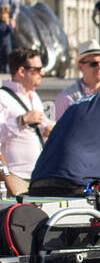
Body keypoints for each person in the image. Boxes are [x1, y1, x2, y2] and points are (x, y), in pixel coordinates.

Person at [0, 49, 51, 193]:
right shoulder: (2, 97)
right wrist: (21, 120)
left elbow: (40, 126)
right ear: (22, 71)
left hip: (38, 174)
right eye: (38, 69)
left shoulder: (34, 96)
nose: (42, 73)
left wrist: (47, 129)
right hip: (15, 176)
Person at [53, 42, 100, 121]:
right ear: (80, 67)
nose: (99, 67)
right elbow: (61, 129)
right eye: (94, 64)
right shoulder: (67, 97)